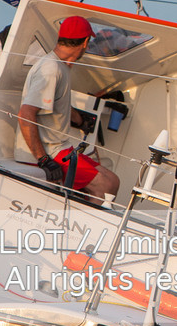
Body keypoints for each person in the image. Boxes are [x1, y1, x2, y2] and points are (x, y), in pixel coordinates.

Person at [19, 16, 121, 200]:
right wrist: (43, 160)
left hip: (62, 147)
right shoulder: (51, 69)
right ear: (85, 42)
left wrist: (80, 120)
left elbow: (57, 102)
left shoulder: (61, 66)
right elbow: (25, 114)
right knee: (106, 186)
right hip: (51, 151)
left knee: (113, 180)